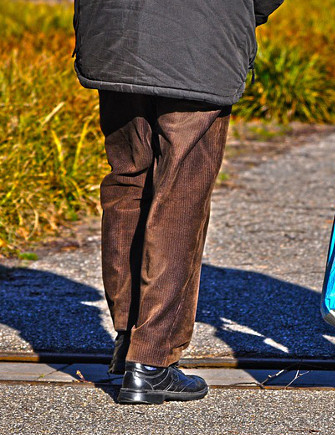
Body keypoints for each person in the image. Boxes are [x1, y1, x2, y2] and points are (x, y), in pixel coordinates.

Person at [73, 0, 283, 404]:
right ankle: (150, 360)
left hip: (114, 35)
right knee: (180, 196)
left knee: (127, 183)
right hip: (198, 41)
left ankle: (127, 339)